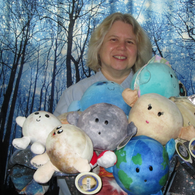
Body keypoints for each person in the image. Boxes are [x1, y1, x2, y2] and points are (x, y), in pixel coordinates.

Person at [54, 12, 152, 195]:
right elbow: (58, 153)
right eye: (113, 39)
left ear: (138, 50)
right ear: (99, 47)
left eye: (130, 42)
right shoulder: (74, 94)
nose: (122, 47)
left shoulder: (151, 98)